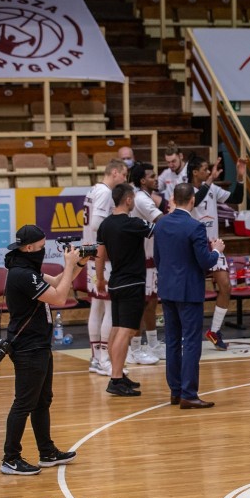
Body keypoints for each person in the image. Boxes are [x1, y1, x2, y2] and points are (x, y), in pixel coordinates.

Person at [0, 225, 85, 475]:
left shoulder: (28, 269)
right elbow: (59, 298)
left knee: (42, 401)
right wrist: (69, 265)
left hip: (39, 344)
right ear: (28, 248)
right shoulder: (21, 274)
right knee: (24, 403)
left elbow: (58, 283)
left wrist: (77, 264)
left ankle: (46, 452)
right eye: (41, 247)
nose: (43, 251)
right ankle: (10, 458)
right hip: (28, 347)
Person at [154, 183, 226, 409]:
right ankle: (188, 393)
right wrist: (217, 250)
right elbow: (205, 261)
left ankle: (175, 391)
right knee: (192, 342)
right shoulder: (195, 227)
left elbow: (158, 259)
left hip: (167, 289)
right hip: (189, 291)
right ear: (193, 200)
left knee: (172, 341)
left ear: (173, 199)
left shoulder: (161, 223)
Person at [96, 184, 156, 397]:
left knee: (117, 328)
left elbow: (99, 255)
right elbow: (159, 229)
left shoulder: (105, 225)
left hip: (115, 282)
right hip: (132, 283)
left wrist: (100, 278)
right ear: (129, 200)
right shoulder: (133, 223)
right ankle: (115, 379)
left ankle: (118, 374)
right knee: (126, 330)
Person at [187, 154, 247, 350]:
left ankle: (214, 330)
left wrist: (240, 176)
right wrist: (211, 179)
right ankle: (189, 332)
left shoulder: (212, 188)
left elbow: (236, 198)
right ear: (195, 172)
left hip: (213, 244)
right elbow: (195, 202)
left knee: (226, 287)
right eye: (205, 169)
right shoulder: (185, 189)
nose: (208, 171)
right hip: (193, 245)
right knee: (194, 293)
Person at [84, 159, 128, 377]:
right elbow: (96, 224)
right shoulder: (104, 192)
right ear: (114, 172)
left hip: (93, 256)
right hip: (104, 256)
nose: (125, 179)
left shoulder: (93, 189)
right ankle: (103, 359)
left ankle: (96, 358)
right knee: (109, 307)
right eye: (124, 174)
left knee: (97, 306)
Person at [129, 162, 166, 361]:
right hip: (140, 259)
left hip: (150, 258)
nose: (156, 179)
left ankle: (152, 344)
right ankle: (134, 349)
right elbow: (162, 221)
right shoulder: (141, 199)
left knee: (151, 303)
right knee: (140, 305)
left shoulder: (146, 197)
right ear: (143, 180)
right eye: (152, 176)